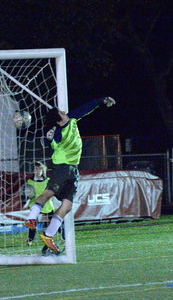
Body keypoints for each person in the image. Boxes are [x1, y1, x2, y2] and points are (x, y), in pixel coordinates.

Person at [25, 97, 116, 253]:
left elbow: (86, 107)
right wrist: (48, 137)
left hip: (73, 170)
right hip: (62, 167)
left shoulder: (72, 119)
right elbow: (49, 140)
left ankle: (48, 235)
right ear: (59, 121)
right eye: (61, 113)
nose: (64, 112)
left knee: (67, 206)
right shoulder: (58, 133)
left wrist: (101, 101)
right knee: (48, 193)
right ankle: (31, 219)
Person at [24, 161, 56, 246]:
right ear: (33, 171)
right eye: (35, 169)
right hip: (35, 205)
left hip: (47, 204)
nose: (37, 171)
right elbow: (27, 194)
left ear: (43, 170)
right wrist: (27, 195)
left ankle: (64, 237)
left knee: (55, 220)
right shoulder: (29, 182)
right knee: (32, 223)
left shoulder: (48, 181)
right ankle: (30, 240)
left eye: (39, 169)